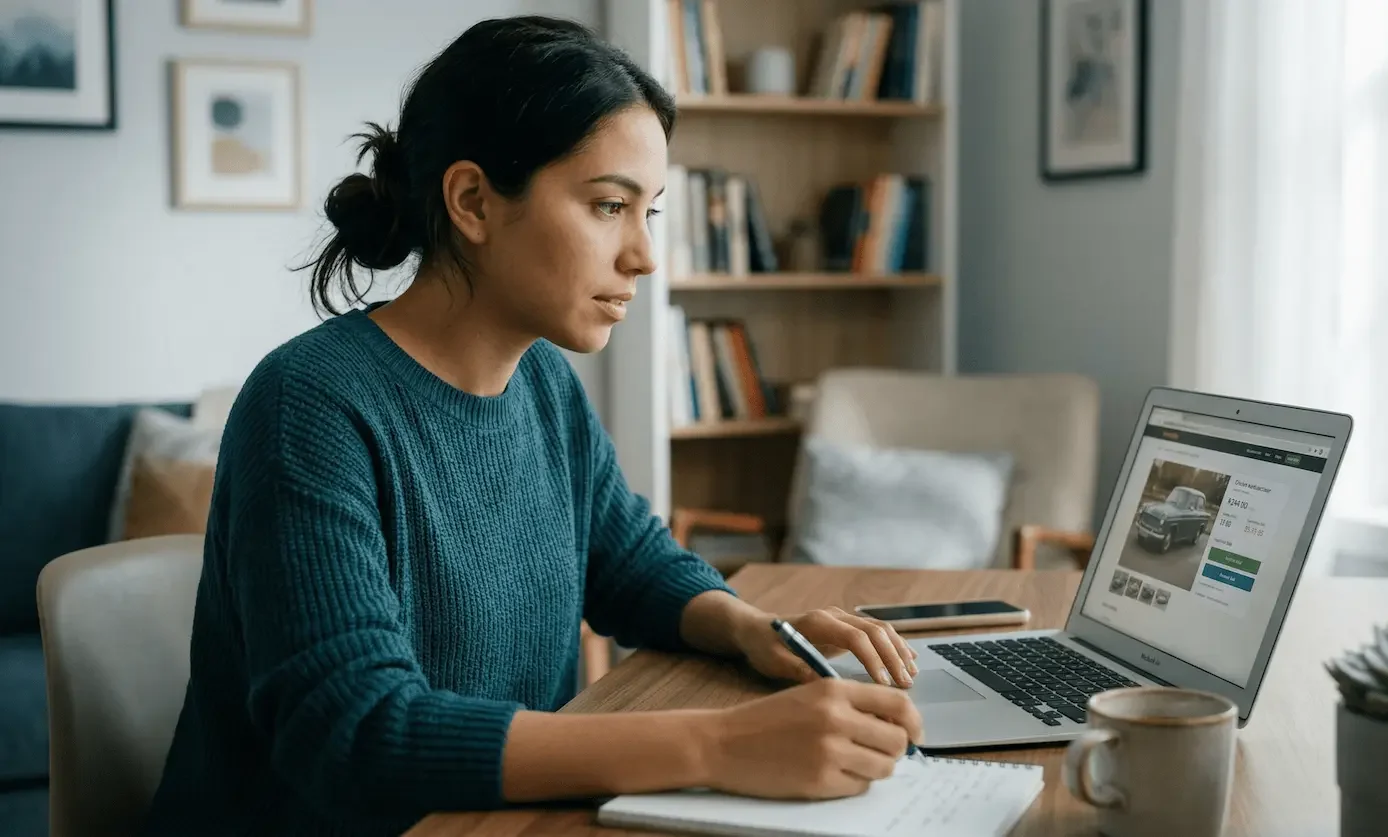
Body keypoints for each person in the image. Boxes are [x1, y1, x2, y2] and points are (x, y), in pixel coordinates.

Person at [143, 15, 923, 837]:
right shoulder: (308, 404)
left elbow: (628, 564)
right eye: (609, 205)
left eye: (648, 212)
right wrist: (722, 742)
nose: (644, 256)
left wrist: (761, 630)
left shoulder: (543, 381)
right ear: (473, 201)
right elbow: (357, 733)